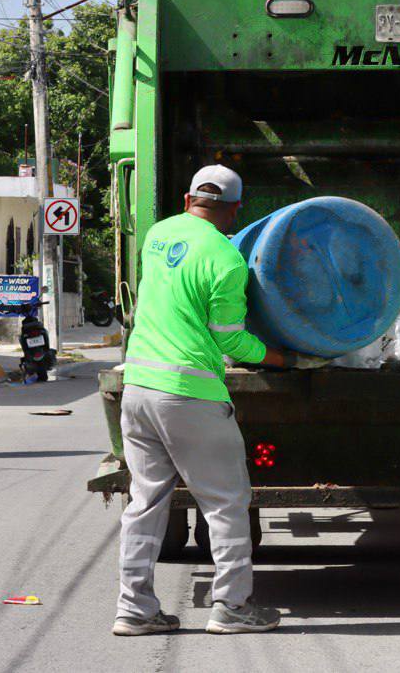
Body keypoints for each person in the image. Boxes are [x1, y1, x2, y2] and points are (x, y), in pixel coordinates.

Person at [113, 165, 317, 638]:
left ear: (187, 200)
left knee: (144, 502)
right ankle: (231, 607)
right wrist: (283, 358)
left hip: (139, 386)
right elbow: (232, 341)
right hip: (189, 394)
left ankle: (134, 609)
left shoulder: (159, 235)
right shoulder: (226, 258)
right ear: (234, 210)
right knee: (226, 503)